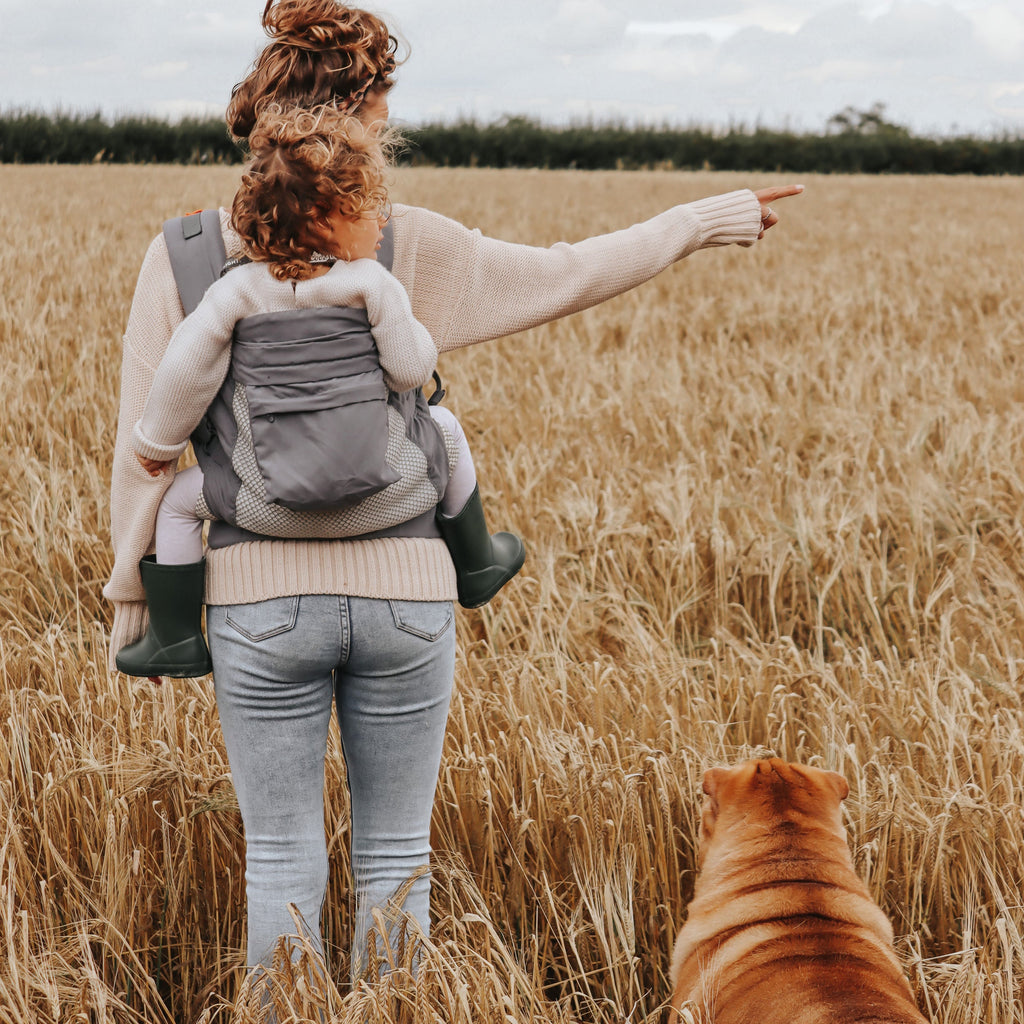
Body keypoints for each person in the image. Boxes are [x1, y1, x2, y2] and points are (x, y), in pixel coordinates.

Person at [104, 0, 803, 987]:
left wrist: (135, 598)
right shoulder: (400, 242)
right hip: (408, 594)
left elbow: (144, 454)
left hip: (259, 603)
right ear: (366, 110)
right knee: (397, 857)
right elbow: (567, 274)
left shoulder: (182, 257)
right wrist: (705, 219)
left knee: (280, 859)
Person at [114, 103, 523, 680]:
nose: (382, 223)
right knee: (447, 430)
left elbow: (183, 374)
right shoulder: (370, 283)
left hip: (263, 505)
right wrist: (416, 336)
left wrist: (156, 446)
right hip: (387, 492)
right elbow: (409, 371)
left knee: (179, 502)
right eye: (367, 211)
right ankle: (478, 562)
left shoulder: (236, 293)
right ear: (324, 220)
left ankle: (175, 637)